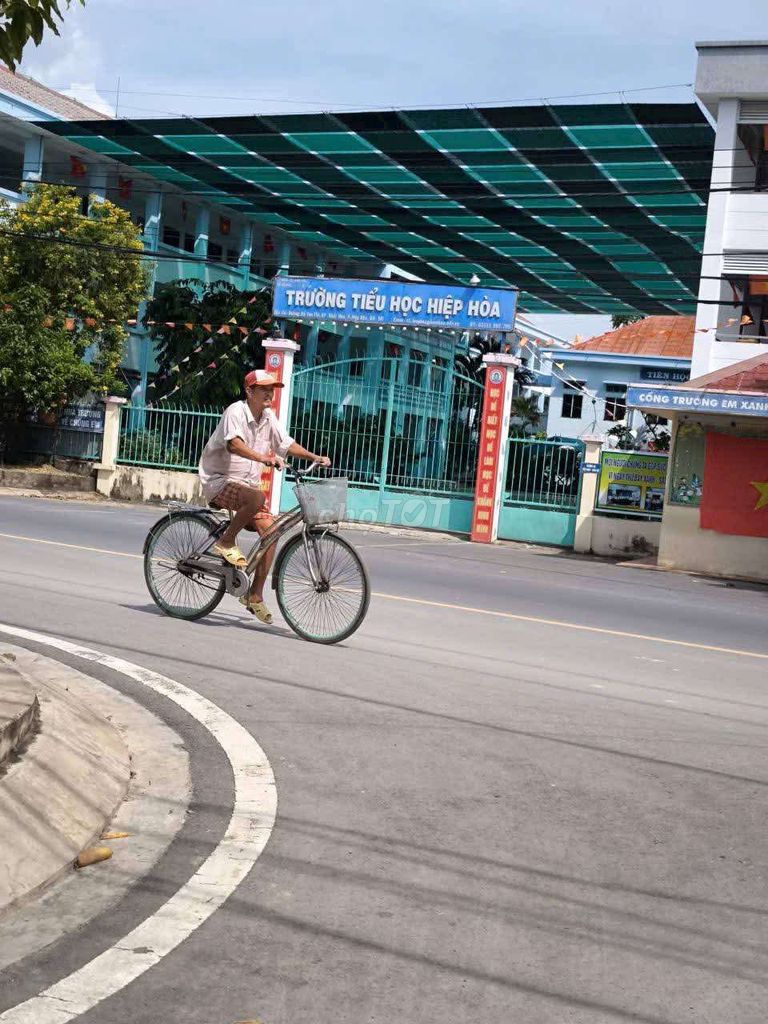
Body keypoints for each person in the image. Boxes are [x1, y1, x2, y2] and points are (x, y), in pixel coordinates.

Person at [199, 369, 330, 624]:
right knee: (257, 498)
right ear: (249, 391)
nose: (270, 394)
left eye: (272, 389)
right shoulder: (235, 412)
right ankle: (226, 541)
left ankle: (255, 596)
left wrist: (314, 457)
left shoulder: (268, 417)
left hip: (246, 487)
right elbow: (234, 444)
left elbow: (285, 444)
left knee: (272, 533)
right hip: (220, 481)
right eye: (264, 389)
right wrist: (264, 458)